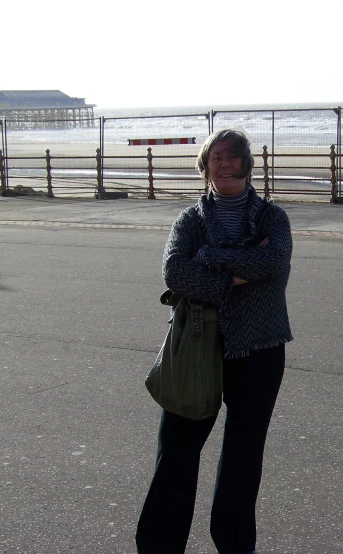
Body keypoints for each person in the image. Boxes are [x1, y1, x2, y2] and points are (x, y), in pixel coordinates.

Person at [136, 129, 293, 554]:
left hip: (260, 348)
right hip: (197, 347)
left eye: (232, 157)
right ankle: (158, 546)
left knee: (244, 457)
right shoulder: (189, 221)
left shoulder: (271, 219)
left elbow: (275, 262)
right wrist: (238, 277)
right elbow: (174, 273)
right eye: (216, 157)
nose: (224, 165)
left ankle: (234, 544)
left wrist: (207, 259)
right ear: (205, 165)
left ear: (246, 164)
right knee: (177, 452)